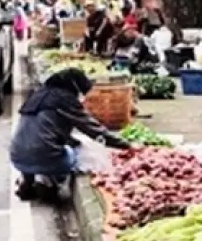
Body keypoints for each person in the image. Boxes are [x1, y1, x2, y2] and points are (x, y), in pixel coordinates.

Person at [9, 68, 134, 200]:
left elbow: (46, 129)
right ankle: (52, 181)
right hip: (47, 159)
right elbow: (92, 129)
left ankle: (27, 181)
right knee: (76, 153)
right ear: (75, 87)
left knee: (36, 144)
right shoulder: (65, 100)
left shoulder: (36, 96)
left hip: (17, 157)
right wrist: (125, 145)